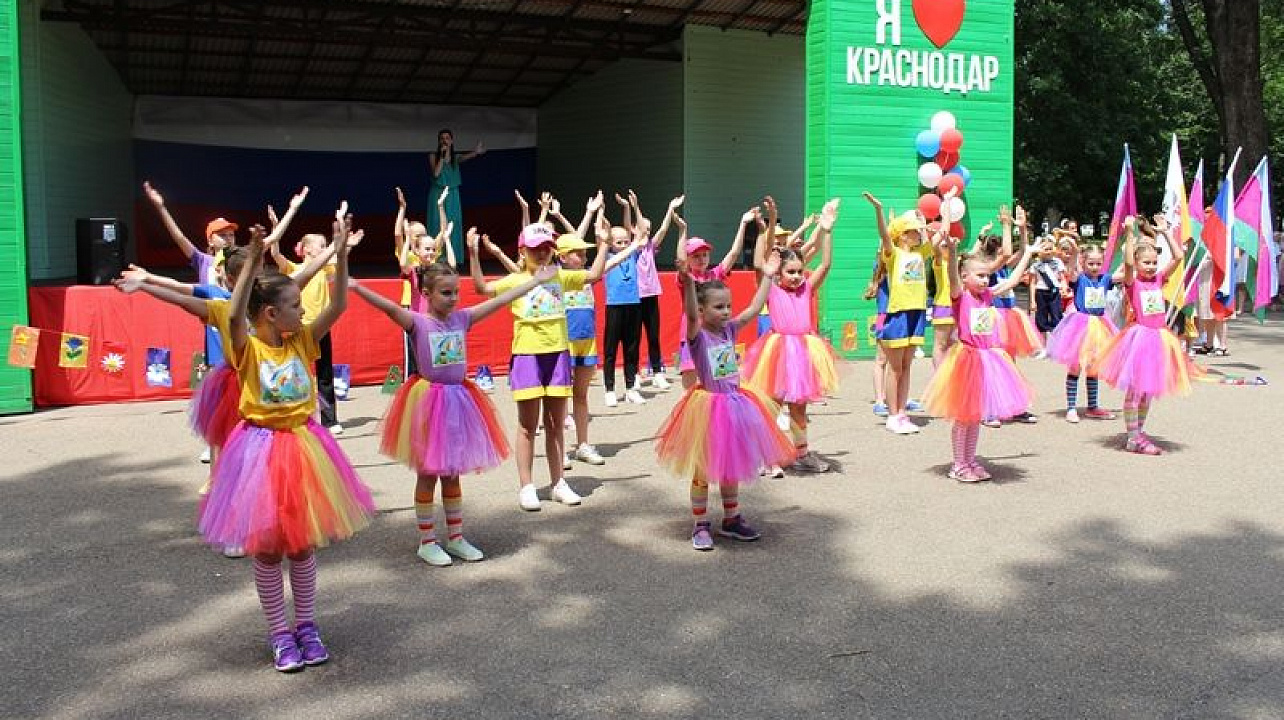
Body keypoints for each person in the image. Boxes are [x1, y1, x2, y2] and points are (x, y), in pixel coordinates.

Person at [202, 194, 376, 672]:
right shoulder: (248, 348)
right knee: (267, 548)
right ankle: (280, 633)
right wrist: (252, 261)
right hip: (259, 451)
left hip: (303, 446)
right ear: (270, 314)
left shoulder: (302, 340)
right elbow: (234, 316)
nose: (303, 311)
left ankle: (307, 626)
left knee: (301, 545)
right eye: (295, 306)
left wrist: (341, 253)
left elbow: (338, 303)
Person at [354, 259, 558, 566]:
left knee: (451, 474)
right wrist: (356, 287)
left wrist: (535, 282)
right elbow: (388, 308)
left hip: (458, 403)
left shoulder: (462, 319)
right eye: (446, 293)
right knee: (428, 474)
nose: (453, 299)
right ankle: (427, 541)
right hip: (429, 405)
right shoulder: (417, 322)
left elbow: (500, 300)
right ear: (426, 293)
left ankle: (456, 536)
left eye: (456, 292)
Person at [655, 250, 795, 551]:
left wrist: (768, 276)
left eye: (728, 305)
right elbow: (691, 314)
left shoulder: (729, 330)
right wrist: (688, 284)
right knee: (703, 469)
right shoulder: (698, 335)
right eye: (719, 307)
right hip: (708, 408)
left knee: (730, 464)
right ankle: (700, 523)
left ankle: (731, 519)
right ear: (702, 310)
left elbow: (754, 309)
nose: (726, 311)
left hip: (735, 404)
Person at [469, 222, 611, 511]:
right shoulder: (516, 280)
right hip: (527, 356)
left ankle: (559, 483)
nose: (543, 253)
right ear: (522, 251)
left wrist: (604, 243)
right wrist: (473, 253)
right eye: (536, 249)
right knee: (527, 425)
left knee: (556, 424)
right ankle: (527, 486)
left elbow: (594, 275)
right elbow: (482, 288)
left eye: (547, 247)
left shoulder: (560, 275)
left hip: (557, 355)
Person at [922, 228, 1039, 482]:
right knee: (963, 417)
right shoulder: (960, 296)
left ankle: (970, 460)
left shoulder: (987, 296)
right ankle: (958, 465)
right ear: (965, 277)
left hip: (988, 358)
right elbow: (952, 277)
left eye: (987, 276)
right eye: (980, 276)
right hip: (967, 359)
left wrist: (1028, 254)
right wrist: (953, 252)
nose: (986, 281)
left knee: (975, 415)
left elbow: (1010, 282)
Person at [743, 199, 840, 473]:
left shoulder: (807, 288)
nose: (797, 276)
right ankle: (767, 456)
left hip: (804, 351)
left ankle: (801, 453)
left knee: (799, 407)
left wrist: (827, 230)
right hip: (778, 351)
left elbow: (826, 264)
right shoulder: (771, 289)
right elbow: (759, 263)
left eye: (799, 271)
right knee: (771, 405)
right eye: (791, 272)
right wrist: (765, 228)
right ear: (779, 273)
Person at [1095, 216, 1201, 455]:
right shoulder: (1132, 283)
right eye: (1147, 262)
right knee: (1135, 391)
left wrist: (1165, 233)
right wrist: (1130, 233)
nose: (1152, 266)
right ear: (1137, 263)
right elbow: (1128, 263)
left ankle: (1139, 432)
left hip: (1159, 339)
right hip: (1140, 340)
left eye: (1154, 262)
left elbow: (1178, 257)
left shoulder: (1159, 280)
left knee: (1148, 392)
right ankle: (1133, 437)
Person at [560, 204, 642, 468]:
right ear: (562, 257)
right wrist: (588, 215)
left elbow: (613, 261)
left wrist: (635, 244)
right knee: (559, 399)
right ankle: (558, 448)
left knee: (581, 396)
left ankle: (583, 444)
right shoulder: (557, 278)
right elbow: (574, 241)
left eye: (586, 253)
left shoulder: (587, 275)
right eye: (579, 254)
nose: (584, 256)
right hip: (563, 342)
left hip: (587, 342)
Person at [863, 191, 938, 435]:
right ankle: (892, 414)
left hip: (917, 313)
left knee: (906, 366)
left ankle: (902, 413)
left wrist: (942, 207)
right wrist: (878, 210)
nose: (919, 233)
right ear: (903, 235)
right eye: (914, 230)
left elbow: (938, 236)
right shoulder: (894, 254)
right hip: (897, 314)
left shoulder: (920, 253)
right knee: (894, 367)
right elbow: (885, 236)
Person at [672, 206, 757, 389]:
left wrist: (743, 223)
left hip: (717, 333)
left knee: (723, 377)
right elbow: (681, 262)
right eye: (696, 256)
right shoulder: (687, 278)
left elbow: (733, 254)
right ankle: (693, 405)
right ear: (688, 259)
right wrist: (682, 230)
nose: (701, 259)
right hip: (694, 333)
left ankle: (724, 402)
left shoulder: (714, 275)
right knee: (690, 377)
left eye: (705, 255)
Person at [271, 229, 345, 435]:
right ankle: (293, 415)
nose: (323, 248)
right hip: (299, 329)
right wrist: (276, 228)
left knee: (325, 373)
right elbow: (276, 254)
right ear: (306, 249)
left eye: (325, 245)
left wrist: (342, 240)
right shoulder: (294, 268)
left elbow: (338, 260)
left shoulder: (325, 269)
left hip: (321, 327)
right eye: (320, 245)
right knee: (295, 372)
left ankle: (329, 420)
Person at [1044, 242, 1119, 423]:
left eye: (1098, 263)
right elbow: (1071, 271)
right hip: (1080, 325)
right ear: (1083, 263)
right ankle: (1071, 407)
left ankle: (1093, 406)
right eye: (1091, 263)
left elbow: (1126, 274)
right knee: (1075, 366)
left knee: (1093, 367)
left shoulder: (1105, 279)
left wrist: (1128, 247)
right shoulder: (1080, 279)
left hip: (1100, 325)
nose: (1094, 267)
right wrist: (1075, 253)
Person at [429, 129, 484, 262]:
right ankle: (436, 256)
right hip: (438, 193)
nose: (444, 141)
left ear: (452, 141)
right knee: (437, 223)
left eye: (447, 138)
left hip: (452, 194)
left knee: (453, 223)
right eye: (442, 138)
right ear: (439, 141)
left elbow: (469, 156)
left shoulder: (456, 158)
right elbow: (436, 174)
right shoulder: (433, 156)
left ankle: (453, 257)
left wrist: (476, 151)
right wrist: (442, 157)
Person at [1029, 236, 1068, 354]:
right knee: (1041, 319)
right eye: (1045, 249)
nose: (1048, 251)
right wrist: (1032, 301)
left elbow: (1062, 278)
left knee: (1057, 317)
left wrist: (1064, 287)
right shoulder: (1035, 265)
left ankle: (1056, 346)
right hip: (1041, 293)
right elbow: (1032, 283)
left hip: (1054, 293)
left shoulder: (1058, 263)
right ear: (1039, 251)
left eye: (1050, 249)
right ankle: (1044, 348)